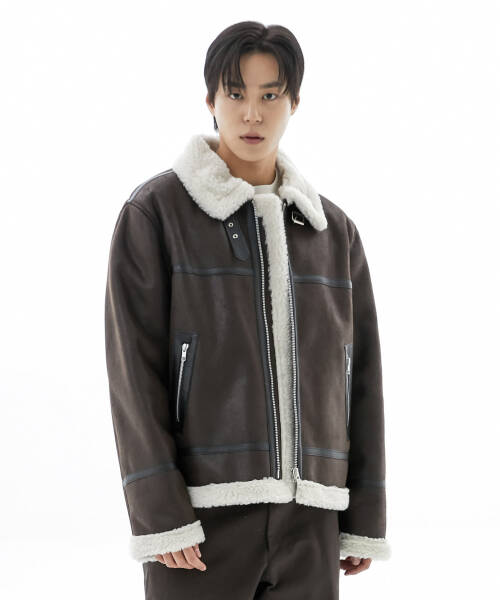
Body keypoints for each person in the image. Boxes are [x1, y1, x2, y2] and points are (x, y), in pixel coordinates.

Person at [104, 20, 391, 600]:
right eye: (235, 94)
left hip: (310, 519)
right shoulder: (156, 214)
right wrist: (159, 511)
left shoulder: (332, 232)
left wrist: (363, 513)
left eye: (270, 95)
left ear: (294, 102)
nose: (252, 114)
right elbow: (133, 373)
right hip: (199, 521)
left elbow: (360, 379)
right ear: (210, 99)